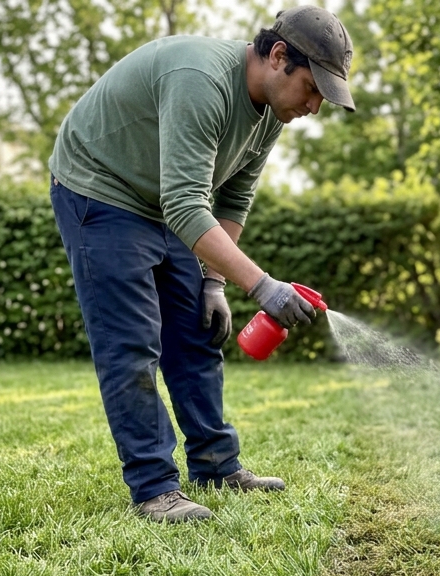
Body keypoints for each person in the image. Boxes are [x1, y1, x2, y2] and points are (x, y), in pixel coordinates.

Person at [48, 7, 354, 522]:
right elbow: (187, 205)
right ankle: (154, 489)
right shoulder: (201, 79)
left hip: (164, 197)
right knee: (132, 342)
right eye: (312, 87)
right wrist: (262, 287)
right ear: (278, 56)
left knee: (195, 331)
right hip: (101, 189)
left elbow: (232, 199)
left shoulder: (271, 112)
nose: (315, 105)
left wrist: (214, 283)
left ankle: (216, 466)